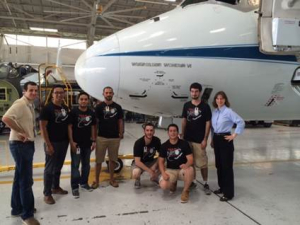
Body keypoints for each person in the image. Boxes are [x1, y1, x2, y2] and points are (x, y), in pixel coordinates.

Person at [2, 81, 40, 225]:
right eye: (31, 90)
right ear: (24, 91)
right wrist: (20, 131)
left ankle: (16, 208)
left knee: (19, 178)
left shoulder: (29, 104)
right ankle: (27, 215)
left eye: (35, 91)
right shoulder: (20, 103)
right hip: (20, 145)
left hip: (25, 144)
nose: (34, 93)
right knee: (26, 180)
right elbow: (6, 118)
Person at [210, 91, 245, 201]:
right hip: (216, 138)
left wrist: (234, 135)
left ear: (225, 100)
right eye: (217, 98)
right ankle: (222, 187)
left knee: (227, 167)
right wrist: (212, 139)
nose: (219, 100)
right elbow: (213, 127)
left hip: (225, 139)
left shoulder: (228, 111)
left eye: (222, 98)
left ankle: (229, 193)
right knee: (219, 165)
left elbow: (241, 122)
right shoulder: (215, 112)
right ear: (215, 100)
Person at [40, 85, 69, 205]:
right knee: (49, 169)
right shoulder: (47, 108)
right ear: (52, 94)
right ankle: (47, 194)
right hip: (52, 142)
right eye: (56, 93)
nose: (59, 95)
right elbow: (43, 127)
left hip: (63, 142)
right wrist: (48, 144)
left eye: (61, 93)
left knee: (58, 167)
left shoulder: (65, 108)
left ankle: (55, 187)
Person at [181, 82, 212, 194]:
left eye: (196, 91)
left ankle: (205, 183)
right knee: (191, 162)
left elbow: (208, 123)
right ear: (190, 92)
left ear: (200, 92)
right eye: (192, 91)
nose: (194, 93)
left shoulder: (205, 106)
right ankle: (193, 181)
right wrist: (182, 135)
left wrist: (205, 138)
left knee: (202, 163)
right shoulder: (186, 105)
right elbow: (184, 120)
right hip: (188, 139)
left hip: (199, 140)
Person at [92, 86, 124, 188]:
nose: (108, 94)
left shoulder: (118, 107)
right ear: (103, 94)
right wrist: (94, 136)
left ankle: (112, 180)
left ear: (113, 94)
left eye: (110, 92)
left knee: (113, 160)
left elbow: (120, 121)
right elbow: (95, 123)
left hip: (114, 138)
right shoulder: (99, 107)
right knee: (99, 161)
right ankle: (96, 181)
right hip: (101, 137)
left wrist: (121, 132)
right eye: (107, 93)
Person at [68, 92, 97, 198]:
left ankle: (84, 183)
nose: (84, 101)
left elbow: (94, 127)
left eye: (86, 99)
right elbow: (69, 127)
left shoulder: (91, 112)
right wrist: (71, 142)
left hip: (87, 144)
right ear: (78, 100)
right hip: (77, 144)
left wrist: (94, 141)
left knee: (86, 164)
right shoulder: (73, 112)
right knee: (75, 165)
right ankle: (74, 186)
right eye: (82, 99)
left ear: (88, 101)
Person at [159, 124, 194, 203]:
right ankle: (173, 183)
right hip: (170, 170)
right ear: (168, 133)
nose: (172, 133)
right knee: (164, 185)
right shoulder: (164, 146)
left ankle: (185, 191)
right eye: (170, 131)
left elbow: (191, 159)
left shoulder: (184, 144)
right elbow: (160, 162)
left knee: (190, 169)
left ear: (178, 132)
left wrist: (186, 165)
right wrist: (163, 173)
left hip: (182, 170)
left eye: (174, 131)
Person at [132, 123, 161, 189]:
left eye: (151, 130)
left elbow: (161, 155)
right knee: (136, 172)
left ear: (154, 131)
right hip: (140, 163)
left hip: (151, 161)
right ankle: (137, 179)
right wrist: (150, 171)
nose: (149, 132)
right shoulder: (138, 143)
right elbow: (137, 162)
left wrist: (155, 164)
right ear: (144, 131)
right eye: (147, 130)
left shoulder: (157, 140)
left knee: (164, 163)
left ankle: (154, 177)